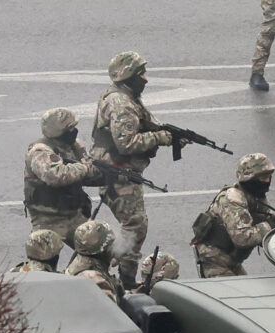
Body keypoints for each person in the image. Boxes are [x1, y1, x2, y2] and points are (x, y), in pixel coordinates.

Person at [94, 52, 172, 290]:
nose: (145, 79)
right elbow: (125, 143)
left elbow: (146, 121)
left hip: (120, 172)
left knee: (134, 225)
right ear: (128, 75)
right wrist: (160, 138)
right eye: (141, 74)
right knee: (135, 226)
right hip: (118, 174)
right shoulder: (121, 103)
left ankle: (114, 268)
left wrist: (169, 134)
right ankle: (118, 275)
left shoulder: (127, 96)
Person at [24, 106, 103, 250]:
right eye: (70, 128)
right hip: (47, 220)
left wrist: (106, 175)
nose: (74, 131)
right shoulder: (40, 152)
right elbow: (54, 176)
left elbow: (87, 173)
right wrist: (83, 168)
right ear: (59, 131)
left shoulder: (74, 146)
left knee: (99, 251)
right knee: (41, 261)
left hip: (74, 216)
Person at [192, 153, 275, 277]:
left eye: (269, 177)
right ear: (250, 178)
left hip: (233, 261)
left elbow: (268, 218)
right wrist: (270, 226)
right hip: (214, 261)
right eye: (263, 177)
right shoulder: (233, 199)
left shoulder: (255, 196)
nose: (267, 181)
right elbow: (242, 238)